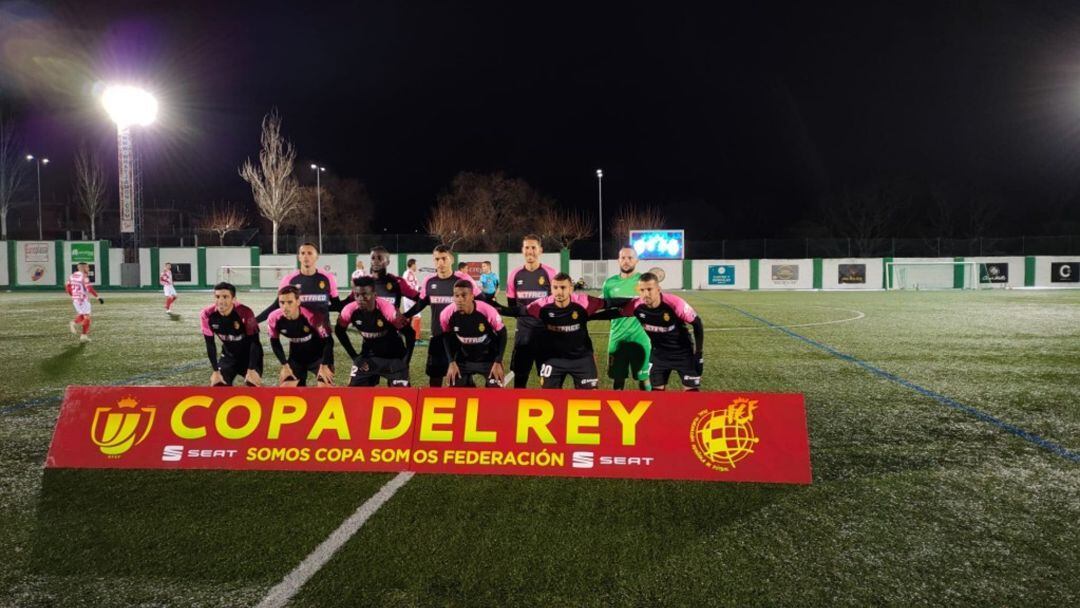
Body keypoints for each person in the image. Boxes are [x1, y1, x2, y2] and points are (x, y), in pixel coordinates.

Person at [499, 272, 619, 390]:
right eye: (555, 287)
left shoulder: (584, 301)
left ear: (571, 289)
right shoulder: (542, 305)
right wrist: (494, 307)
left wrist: (634, 303)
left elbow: (609, 303)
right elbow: (518, 311)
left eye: (563, 287)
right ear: (551, 288)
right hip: (553, 359)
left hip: (582, 359)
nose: (559, 291)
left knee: (590, 401)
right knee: (549, 399)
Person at [402, 245, 481, 386]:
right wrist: (403, 316)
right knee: (435, 379)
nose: (440, 263)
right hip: (438, 337)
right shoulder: (429, 281)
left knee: (462, 382)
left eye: (444, 258)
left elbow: (481, 300)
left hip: (461, 339)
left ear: (451, 259)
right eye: (437, 259)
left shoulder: (463, 279)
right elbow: (421, 303)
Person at [256, 242, 341, 367]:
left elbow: (336, 305)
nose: (306, 256)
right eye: (302, 253)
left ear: (317, 256)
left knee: (326, 382)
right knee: (296, 382)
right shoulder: (289, 280)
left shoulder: (327, 278)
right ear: (299, 257)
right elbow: (276, 306)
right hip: (298, 339)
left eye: (310, 253)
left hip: (322, 337)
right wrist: (254, 320)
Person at [620, 272, 704, 391]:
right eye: (642, 290)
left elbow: (697, 323)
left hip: (683, 354)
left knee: (692, 394)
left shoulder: (675, 303)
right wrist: (590, 316)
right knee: (656, 394)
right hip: (659, 355)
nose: (646, 294)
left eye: (649, 289)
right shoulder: (637, 305)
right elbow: (616, 311)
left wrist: (699, 353)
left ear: (658, 289)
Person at [335, 276, 414, 387]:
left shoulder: (389, 311)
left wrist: (405, 361)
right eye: (357, 295)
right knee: (352, 395)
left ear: (374, 295)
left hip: (394, 358)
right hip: (368, 357)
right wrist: (355, 357)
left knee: (403, 396)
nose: (360, 299)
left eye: (365, 295)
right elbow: (339, 331)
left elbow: (410, 333)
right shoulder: (349, 311)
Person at [504, 234, 558, 388]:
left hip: (545, 335)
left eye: (533, 247)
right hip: (523, 335)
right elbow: (513, 305)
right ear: (522, 250)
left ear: (540, 250)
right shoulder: (514, 275)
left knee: (548, 380)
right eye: (527, 247)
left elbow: (556, 302)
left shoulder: (550, 273)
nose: (530, 251)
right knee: (520, 379)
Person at [441, 280, 508, 387]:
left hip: (488, 359)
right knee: (455, 389)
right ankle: (469, 384)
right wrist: (451, 362)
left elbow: (503, 333)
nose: (459, 299)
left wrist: (498, 361)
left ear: (472, 296)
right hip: (463, 359)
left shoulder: (487, 310)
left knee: (496, 392)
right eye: (456, 296)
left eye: (464, 295)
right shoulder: (446, 314)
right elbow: (446, 338)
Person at [602, 247, 652, 390]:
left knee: (644, 379)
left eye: (630, 258)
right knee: (618, 380)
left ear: (636, 260)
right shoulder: (609, 283)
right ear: (618, 260)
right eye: (623, 258)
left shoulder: (644, 281)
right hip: (617, 337)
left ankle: (650, 410)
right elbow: (606, 307)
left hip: (641, 338)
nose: (626, 261)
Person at [267, 286, 334, 387]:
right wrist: (285, 365)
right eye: (282, 302)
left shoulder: (312, 317)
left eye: (290, 302)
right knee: (286, 390)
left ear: (298, 302)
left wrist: (324, 365)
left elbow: (328, 341)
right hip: (296, 360)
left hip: (318, 359)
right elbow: (275, 342)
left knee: (325, 389)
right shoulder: (274, 318)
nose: (285, 307)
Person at [200, 282, 263, 386]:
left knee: (253, 384)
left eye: (225, 297)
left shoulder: (245, 312)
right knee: (218, 385)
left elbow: (255, 342)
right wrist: (216, 371)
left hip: (249, 356)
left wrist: (251, 369)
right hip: (229, 356)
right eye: (217, 296)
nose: (220, 301)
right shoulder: (207, 315)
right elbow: (210, 344)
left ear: (233, 299)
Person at [65, 262, 102, 343]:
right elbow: (89, 288)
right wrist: (97, 297)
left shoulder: (72, 276)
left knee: (83, 315)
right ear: (83, 268)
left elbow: (67, 287)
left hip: (75, 299)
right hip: (83, 299)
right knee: (87, 317)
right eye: (87, 267)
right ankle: (78, 329)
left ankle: (83, 335)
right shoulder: (84, 276)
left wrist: (73, 295)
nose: (88, 269)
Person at [403, 257, 423, 342]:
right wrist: (415, 296)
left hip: (406, 297)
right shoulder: (410, 273)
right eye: (415, 264)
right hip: (411, 297)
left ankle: (406, 334)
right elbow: (412, 286)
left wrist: (420, 287)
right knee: (417, 315)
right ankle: (416, 338)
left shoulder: (406, 273)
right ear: (412, 265)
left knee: (408, 316)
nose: (416, 266)